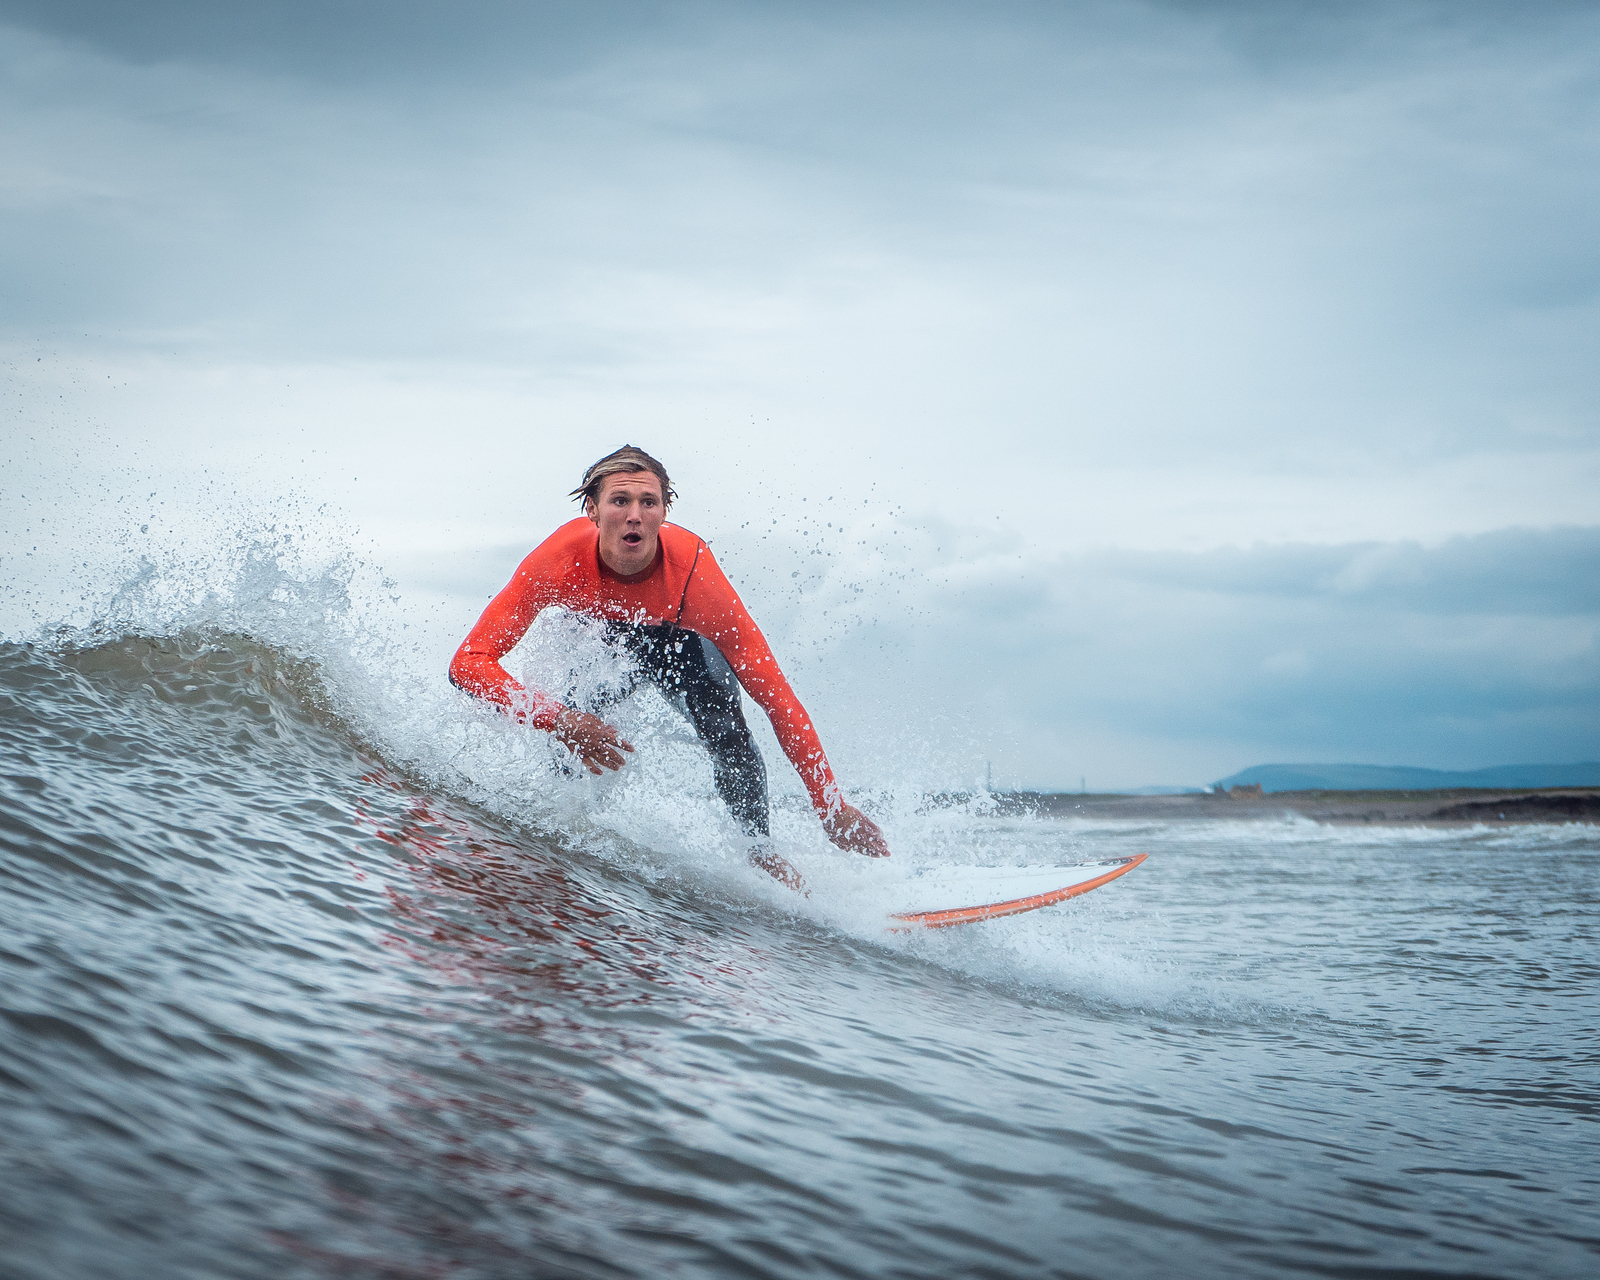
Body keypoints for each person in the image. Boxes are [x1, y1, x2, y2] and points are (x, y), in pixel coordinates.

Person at [449, 445, 890, 886]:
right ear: (593, 511)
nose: (634, 515)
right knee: (569, 736)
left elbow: (777, 700)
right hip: (598, 639)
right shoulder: (558, 562)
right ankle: (562, 833)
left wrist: (829, 806)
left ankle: (760, 852)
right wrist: (561, 720)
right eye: (620, 501)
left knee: (729, 732)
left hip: (677, 640)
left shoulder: (695, 577)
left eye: (648, 502)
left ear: (665, 512)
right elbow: (468, 664)